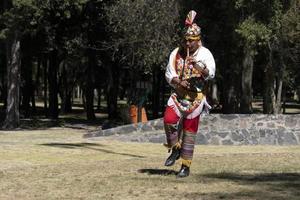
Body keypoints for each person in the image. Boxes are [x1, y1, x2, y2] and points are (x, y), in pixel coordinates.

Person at [163, 10, 216, 178]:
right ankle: (175, 148)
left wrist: (198, 66)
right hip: (178, 95)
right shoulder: (176, 53)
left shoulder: (205, 54)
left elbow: (211, 74)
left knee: (189, 132)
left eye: (191, 41)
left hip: (195, 99)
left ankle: (185, 167)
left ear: (198, 40)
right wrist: (178, 81)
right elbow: (169, 74)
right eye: (185, 40)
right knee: (169, 120)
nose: (187, 44)